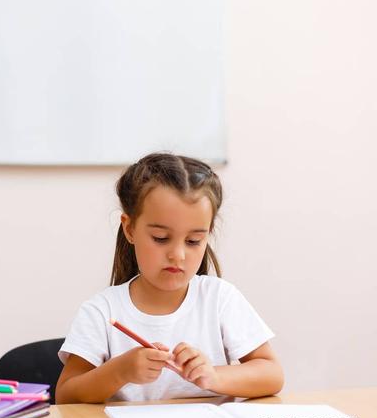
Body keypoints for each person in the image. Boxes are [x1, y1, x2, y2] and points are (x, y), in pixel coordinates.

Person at [56, 153, 283, 403]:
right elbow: (66, 395)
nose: (178, 255)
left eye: (194, 241)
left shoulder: (219, 299)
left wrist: (214, 376)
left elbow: (272, 374)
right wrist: (120, 371)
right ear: (129, 229)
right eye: (161, 238)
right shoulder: (102, 311)